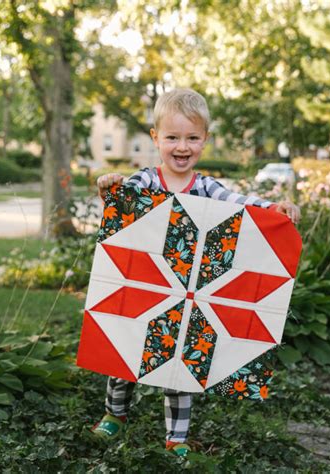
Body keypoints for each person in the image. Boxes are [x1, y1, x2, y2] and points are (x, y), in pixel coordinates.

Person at [93, 88, 300, 456]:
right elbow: (122, 195)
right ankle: (115, 413)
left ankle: (177, 438)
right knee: (126, 351)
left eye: (192, 138)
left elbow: (242, 203)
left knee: (181, 362)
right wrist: (111, 185)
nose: (182, 146)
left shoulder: (206, 187)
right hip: (146, 283)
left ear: (205, 139)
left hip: (189, 289)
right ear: (156, 138)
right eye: (172, 137)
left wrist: (274, 209)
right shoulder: (146, 181)